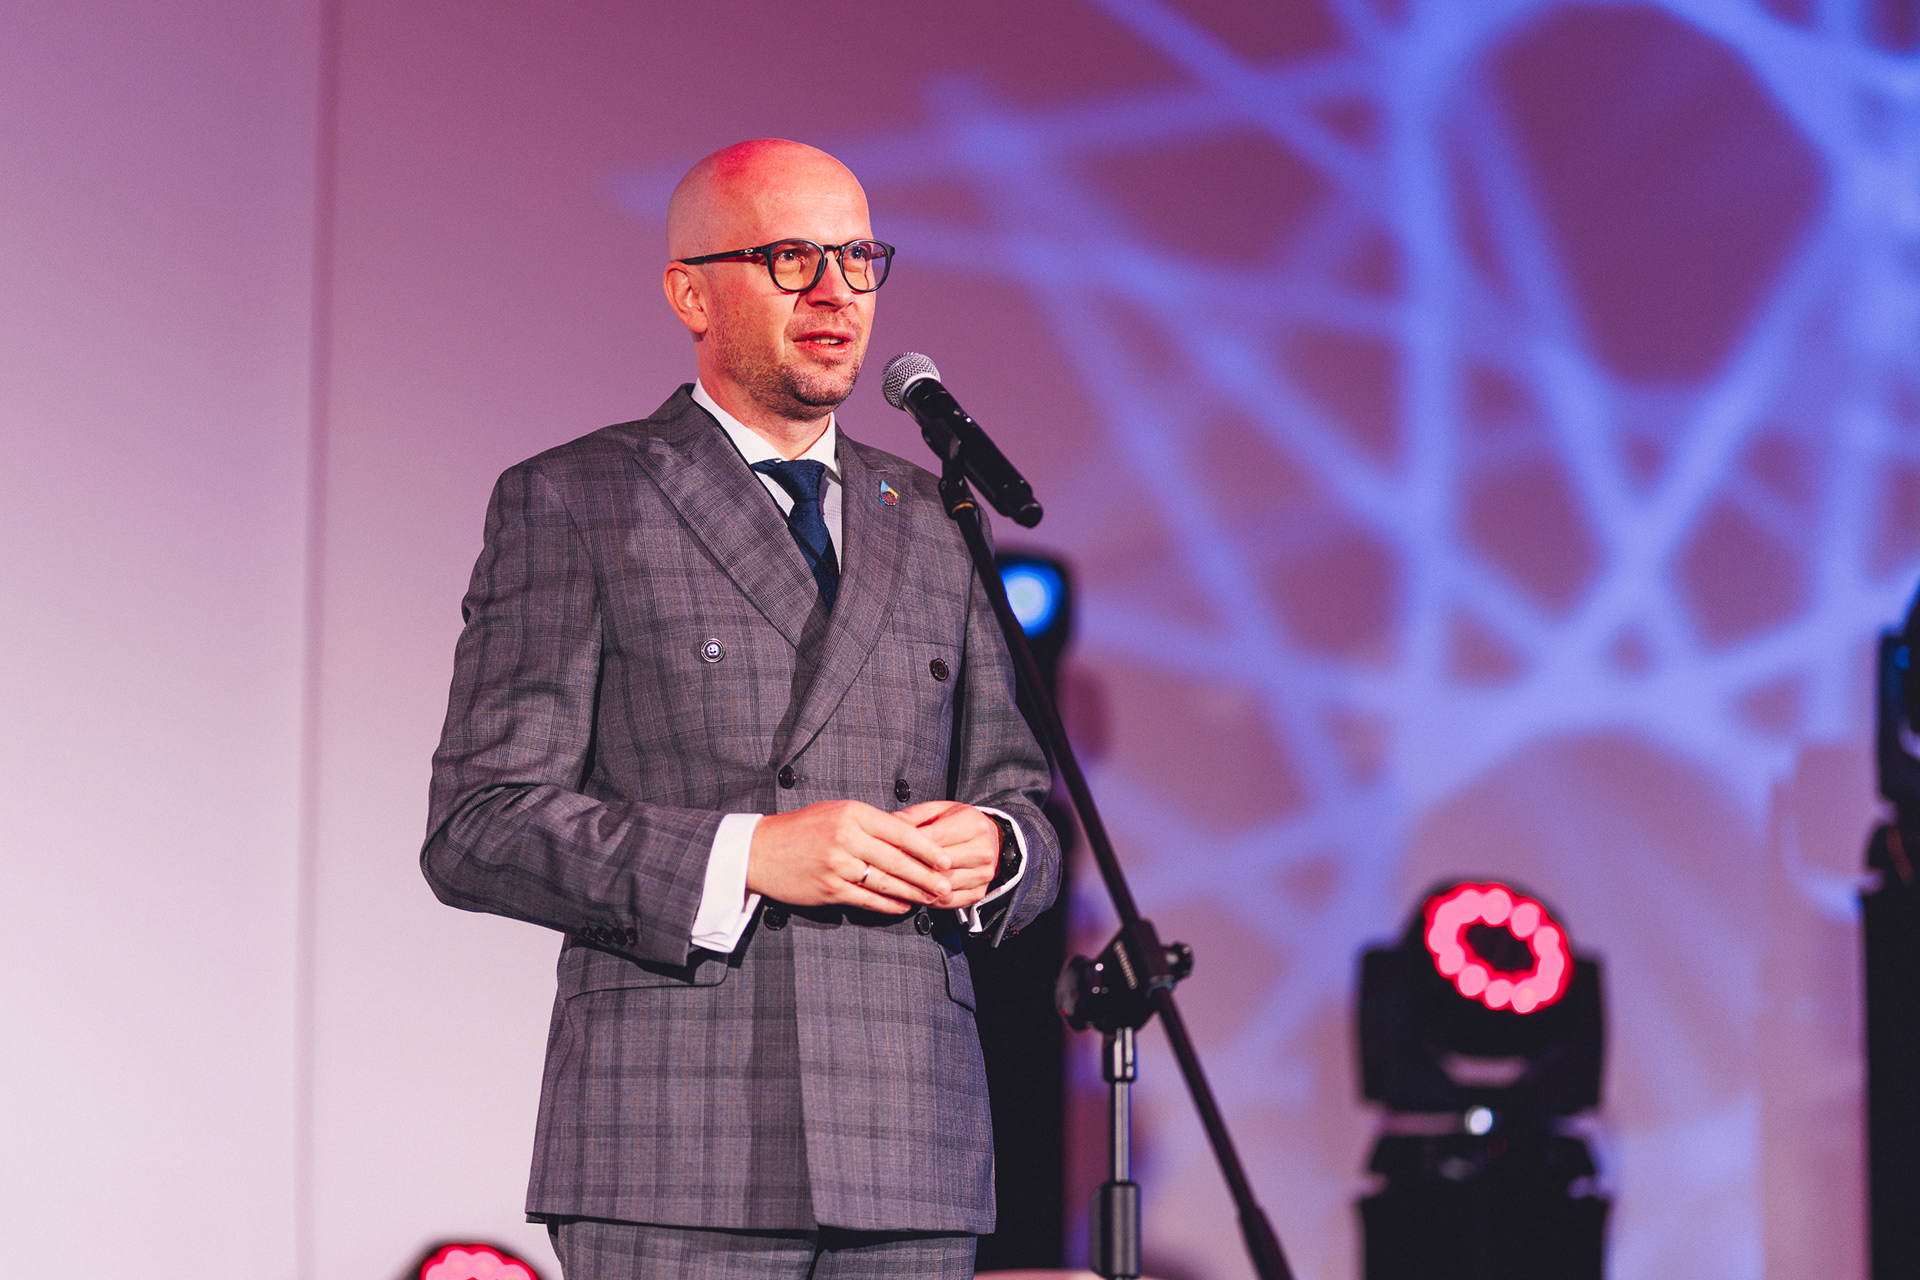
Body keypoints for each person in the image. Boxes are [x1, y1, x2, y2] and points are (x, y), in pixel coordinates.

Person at [422, 138, 1061, 1280]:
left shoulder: (935, 517)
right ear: (690, 294)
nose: (836, 292)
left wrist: (1001, 848)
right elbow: (480, 824)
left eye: (858, 257)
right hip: (678, 1140)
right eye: (790, 257)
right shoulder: (579, 498)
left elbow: (1024, 798)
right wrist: (750, 855)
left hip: (911, 1136)